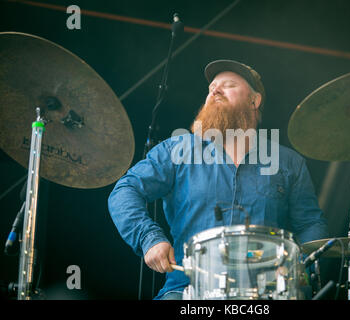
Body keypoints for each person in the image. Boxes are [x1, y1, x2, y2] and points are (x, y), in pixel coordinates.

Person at [108, 60, 328, 300]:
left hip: (266, 293)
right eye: (212, 87)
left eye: (229, 85)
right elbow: (125, 190)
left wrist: (299, 276)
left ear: (254, 100)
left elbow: (309, 226)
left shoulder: (288, 163)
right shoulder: (177, 151)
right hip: (186, 289)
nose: (215, 90)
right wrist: (149, 238)